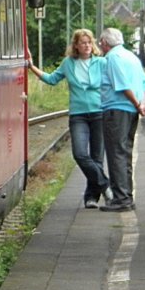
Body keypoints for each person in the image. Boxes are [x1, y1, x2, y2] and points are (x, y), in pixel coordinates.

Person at [27, 29, 110, 208]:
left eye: (89, 42)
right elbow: (51, 79)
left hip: (99, 113)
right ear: (76, 46)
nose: (87, 46)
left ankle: (91, 198)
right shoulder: (68, 63)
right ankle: (105, 185)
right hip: (78, 115)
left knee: (97, 157)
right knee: (80, 154)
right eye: (83, 43)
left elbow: (115, 81)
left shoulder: (102, 62)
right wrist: (31, 67)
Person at [97, 27, 145, 212]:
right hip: (131, 111)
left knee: (116, 153)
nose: (100, 46)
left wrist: (137, 104)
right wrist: (142, 104)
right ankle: (127, 196)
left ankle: (121, 199)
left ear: (105, 43)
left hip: (116, 110)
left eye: (100, 43)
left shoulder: (112, 58)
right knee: (125, 152)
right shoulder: (131, 57)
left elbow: (122, 85)